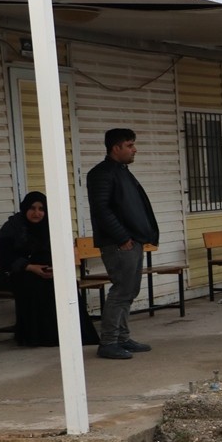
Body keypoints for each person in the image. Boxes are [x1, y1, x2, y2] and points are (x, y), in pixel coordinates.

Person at [88, 128, 158, 360]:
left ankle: (122, 337)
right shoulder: (102, 173)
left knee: (129, 290)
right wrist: (122, 238)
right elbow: (102, 210)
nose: (134, 149)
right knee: (120, 291)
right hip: (119, 244)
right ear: (116, 148)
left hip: (132, 241)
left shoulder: (122, 172)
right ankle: (108, 342)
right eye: (129, 145)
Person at [0, 192, 98, 347]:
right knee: (34, 284)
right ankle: (39, 336)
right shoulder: (11, 228)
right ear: (25, 208)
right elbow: (7, 258)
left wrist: (55, 269)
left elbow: (59, 252)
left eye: (41, 209)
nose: (37, 213)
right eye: (32, 208)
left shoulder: (50, 226)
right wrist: (30, 267)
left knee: (65, 283)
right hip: (19, 272)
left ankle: (70, 333)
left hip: (47, 270)